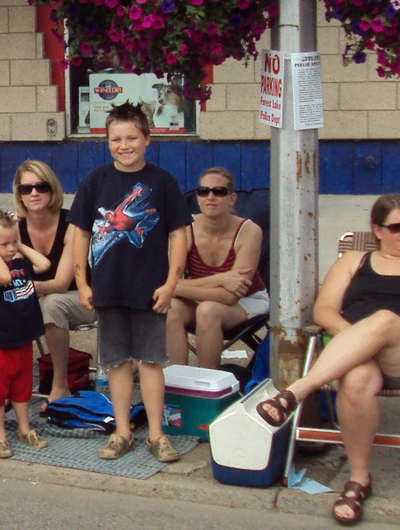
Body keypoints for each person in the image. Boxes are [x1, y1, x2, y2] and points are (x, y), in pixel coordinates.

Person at [253, 194, 400, 526]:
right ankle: (358, 480)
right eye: (397, 227)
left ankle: (296, 392)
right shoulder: (354, 261)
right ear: (377, 230)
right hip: (355, 355)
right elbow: (324, 310)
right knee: (354, 381)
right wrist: (352, 336)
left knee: (382, 320)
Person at [67, 103, 188, 464]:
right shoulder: (95, 182)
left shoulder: (163, 182)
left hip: (150, 289)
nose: (124, 145)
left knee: (151, 361)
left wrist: (170, 284)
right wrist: (82, 282)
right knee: (117, 363)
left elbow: (179, 236)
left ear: (147, 139)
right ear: (107, 142)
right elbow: (81, 235)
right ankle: (122, 432)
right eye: (116, 139)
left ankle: (156, 434)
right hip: (108, 288)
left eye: (132, 137)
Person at [165, 166, 267, 369]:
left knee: (208, 311)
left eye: (219, 191)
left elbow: (231, 296)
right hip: (200, 296)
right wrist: (219, 279)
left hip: (248, 300)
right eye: (203, 191)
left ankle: (208, 383)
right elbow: (167, 281)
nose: (210, 197)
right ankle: (177, 380)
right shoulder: (185, 228)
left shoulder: (249, 231)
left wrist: (175, 287)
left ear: (232, 198)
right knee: (171, 308)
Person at [0, 209, 51, 460]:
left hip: (23, 338)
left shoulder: (21, 262)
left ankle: (24, 428)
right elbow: (4, 277)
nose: (10, 248)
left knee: (22, 388)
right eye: (4, 244)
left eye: (13, 242)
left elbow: (44, 264)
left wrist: (19, 245)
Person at [14, 160, 86, 404]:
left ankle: (60, 383)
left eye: (41, 187)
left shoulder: (72, 224)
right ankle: (3, 378)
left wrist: (20, 290)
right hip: (35, 297)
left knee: (52, 302)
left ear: (52, 190)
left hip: (81, 298)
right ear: (19, 194)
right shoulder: (15, 228)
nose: (34, 193)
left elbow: (61, 283)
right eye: (26, 188)